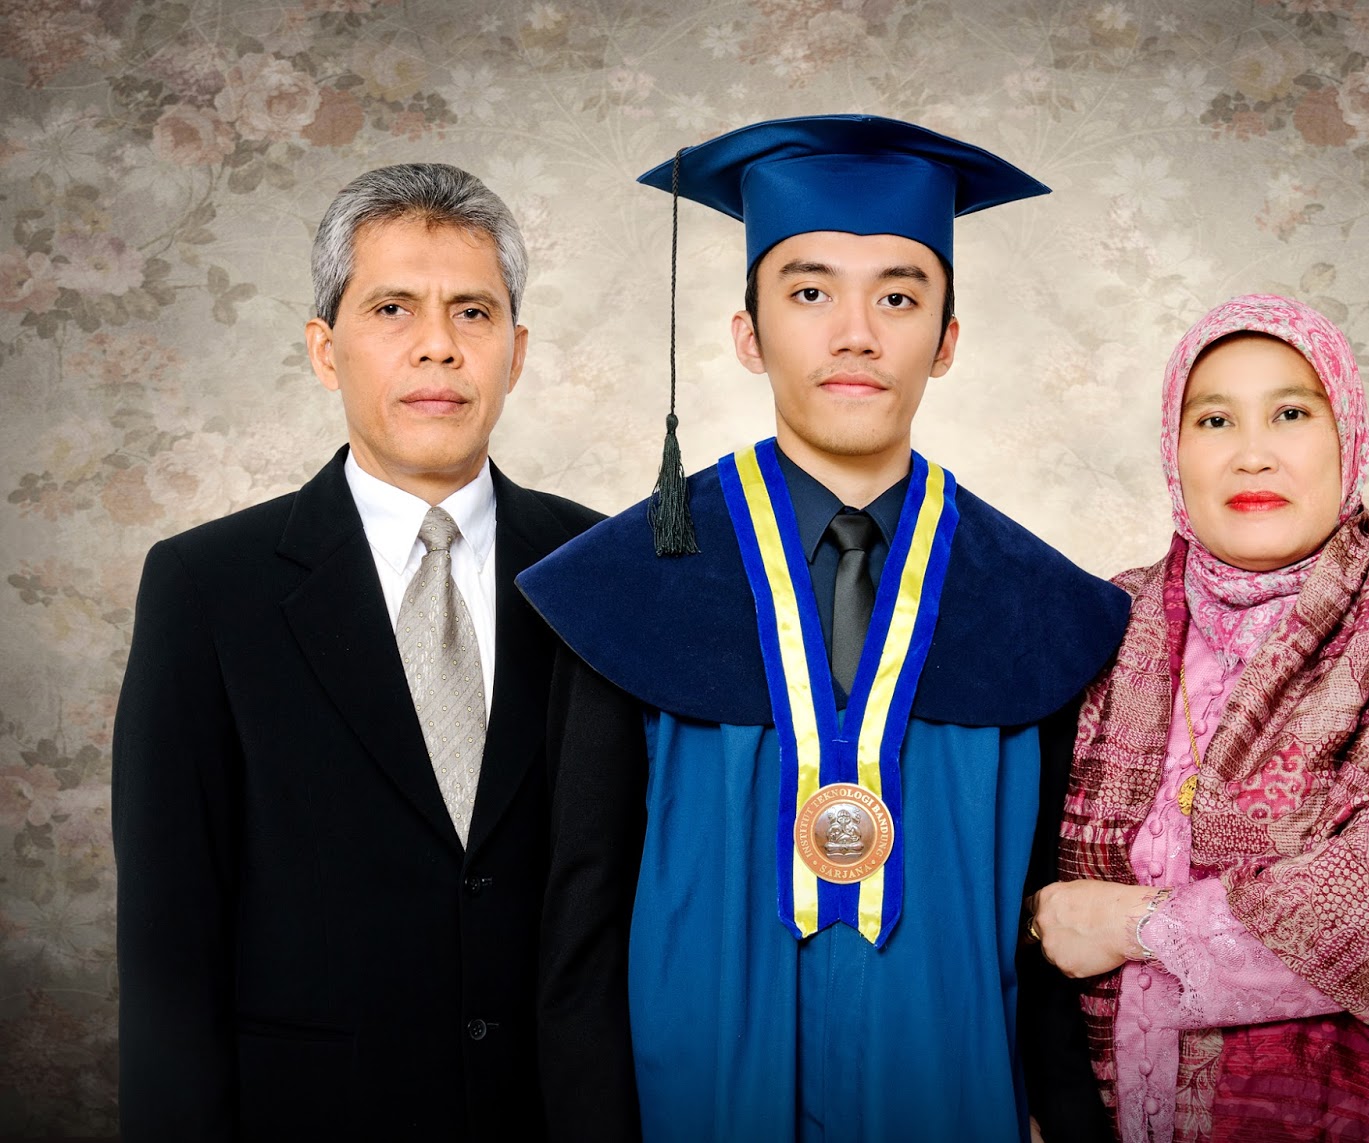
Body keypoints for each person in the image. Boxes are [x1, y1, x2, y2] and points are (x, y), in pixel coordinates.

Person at [517, 114, 1131, 1141]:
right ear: (747, 333)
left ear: (946, 342)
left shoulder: (1040, 608)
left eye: (898, 296)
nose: (857, 333)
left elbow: (1047, 928)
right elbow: (576, 930)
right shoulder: (626, 588)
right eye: (810, 293)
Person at [112, 163, 603, 1140]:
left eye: (473, 312)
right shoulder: (208, 587)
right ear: (325, 351)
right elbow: (171, 945)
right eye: (392, 308)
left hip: (553, 1114)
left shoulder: (600, 573)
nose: (437, 347)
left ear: (516, 350)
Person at [1030, 294, 1369, 1142]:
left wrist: (1130, 924)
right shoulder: (1102, 621)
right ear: (1175, 451)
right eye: (1214, 419)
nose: (1253, 454)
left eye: (1291, 412)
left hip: (1350, 1115)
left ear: (1346, 437)